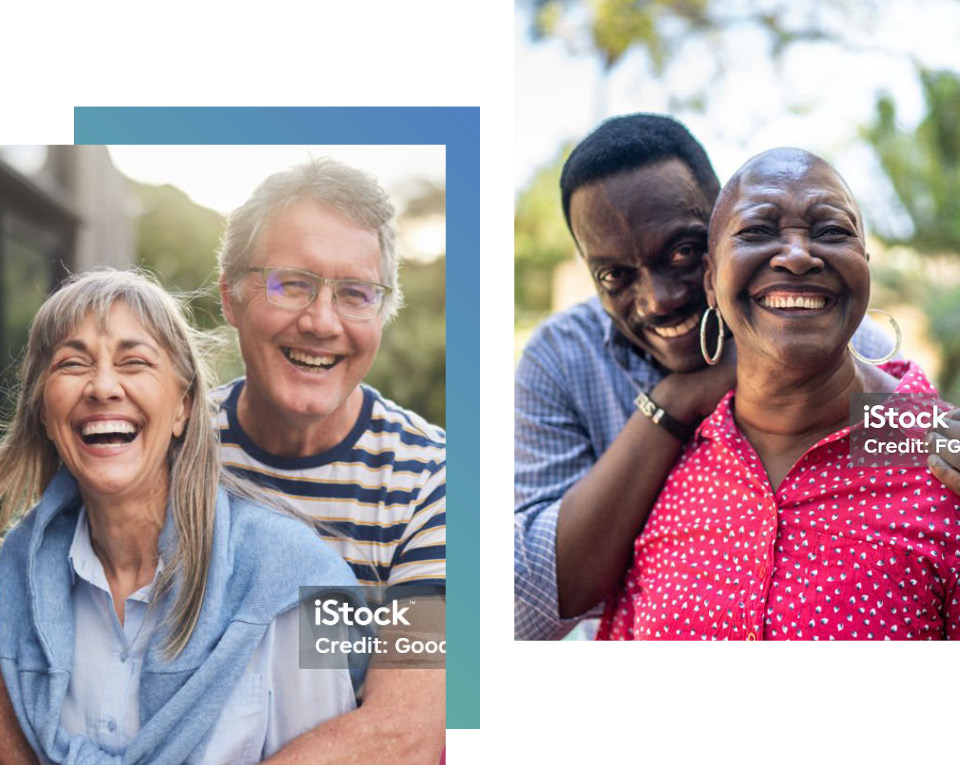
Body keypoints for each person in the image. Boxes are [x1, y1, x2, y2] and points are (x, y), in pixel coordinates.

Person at [514, 114, 896, 640]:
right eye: (615, 276)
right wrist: (674, 402)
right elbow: (528, 604)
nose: (660, 299)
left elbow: (921, 474)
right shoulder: (560, 359)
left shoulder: (834, 335)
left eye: (683, 252)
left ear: (725, 228)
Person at [598, 148, 960, 640]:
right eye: (757, 232)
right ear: (710, 278)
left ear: (865, 268)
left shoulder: (938, 457)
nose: (797, 255)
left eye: (832, 232)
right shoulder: (666, 471)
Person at [0, 269, 360, 763]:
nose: (103, 386)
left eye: (134, 362)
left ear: (184, 408)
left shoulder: (296, 580)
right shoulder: (12, 579)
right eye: (72, 363)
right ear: (44, 411)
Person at [214, 158, 446, 763]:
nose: (321, 322)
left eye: (354, 294)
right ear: (231, 298)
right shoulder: (166, 446)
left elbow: (404, 733)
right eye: (291, 283)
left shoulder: (431, 482)